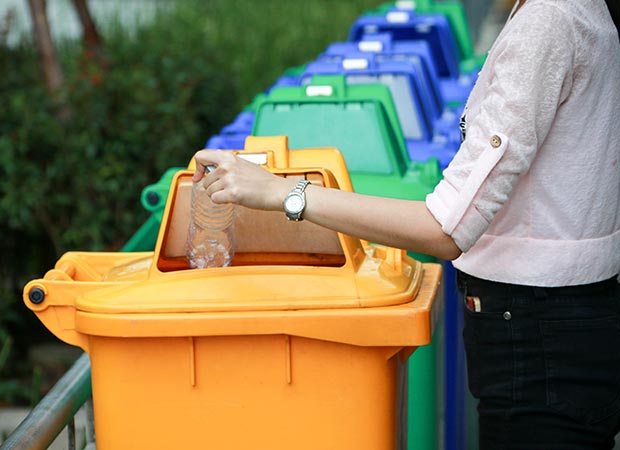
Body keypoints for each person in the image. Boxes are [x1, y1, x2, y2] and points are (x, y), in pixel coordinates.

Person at [190, 0, 620, 447]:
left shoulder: (547, 22)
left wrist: (284, 194)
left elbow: (446, 229)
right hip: (568, 326)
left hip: (538, 339)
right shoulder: (575, 11)